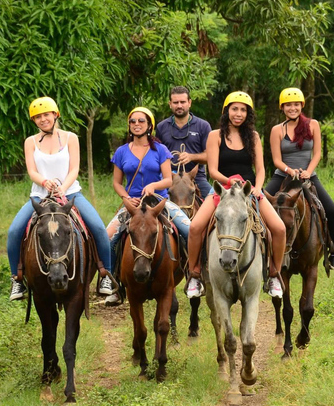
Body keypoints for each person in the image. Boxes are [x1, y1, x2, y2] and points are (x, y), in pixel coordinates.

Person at [6, 96, 114, 301]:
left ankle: (105, 275)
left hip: (70, 193)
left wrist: (62, 189)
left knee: (99, 228)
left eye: (46, 115)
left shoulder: (70, 138)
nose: (42, 119)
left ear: (55, 115)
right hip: (40, 196)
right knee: (14, 231)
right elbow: (31, 171)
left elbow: (74, 168)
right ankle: (17, 280)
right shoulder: (30, 142)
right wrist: (45, 183)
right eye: (37, 117)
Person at [185, 91, 286, 299]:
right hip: (222, 189)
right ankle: (194, 274)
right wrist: (229, 182)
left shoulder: (254, 137)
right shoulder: (215, 136)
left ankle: (274, 274)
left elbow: (260, 170)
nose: (238, 113)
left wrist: (258, 187)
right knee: (195, 227)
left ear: (247, 114)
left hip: (248, 191)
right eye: (234, 109)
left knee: (279, 228)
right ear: (227, 111)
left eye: (243, 110)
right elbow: (212, 170)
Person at [104, 106, 192, 306]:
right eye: (133, 121)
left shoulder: (160, 150)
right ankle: (112, 283)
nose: (136, 124)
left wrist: (153, 185)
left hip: (159, 203)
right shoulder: (121, 151)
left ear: (150, 125)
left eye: (141, 121)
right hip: (132, 204)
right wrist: (126, 196)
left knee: (189, 229)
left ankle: (193, 275)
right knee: (108, 238)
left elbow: (168, 180)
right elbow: (117, 182)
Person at [265, 87, 334, 271]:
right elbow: (276, 159)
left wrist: (308, 171)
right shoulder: (277, 130)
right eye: (288, 105)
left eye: (296, 104)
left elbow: (317, 154)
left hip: (308, 176)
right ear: (282, 107)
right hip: (283, 176)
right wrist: (289, 170)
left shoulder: (312, 124)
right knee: (260, 204)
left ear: (302, 105)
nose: (293, 108)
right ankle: (263, 251)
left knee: (333, 211)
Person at [155, 86, 213, 198]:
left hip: (196, 178)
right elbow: (157, 156)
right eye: (175, 102)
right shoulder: (161, 127)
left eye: (183, 102)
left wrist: (191, 157)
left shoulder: (203, 126)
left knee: (215, 204)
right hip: (168, 179)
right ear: (170, 104)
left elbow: (210, 157)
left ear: (189, 103)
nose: (179, 106)